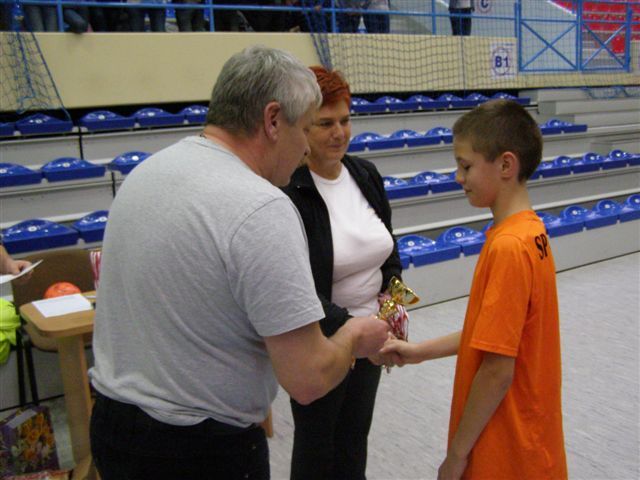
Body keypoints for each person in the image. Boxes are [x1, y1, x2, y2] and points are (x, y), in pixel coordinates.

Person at [89, 45, 390, 480]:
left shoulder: (148, 172)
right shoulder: (261, 206)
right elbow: (306, 380)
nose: (305, 148)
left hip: (114, 425)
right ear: (273, 120)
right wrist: (352, 336)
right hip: (197, 449)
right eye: (306, 128)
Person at [380, 100, 568, 480]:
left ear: (506, 165)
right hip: (530, 438)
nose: (457, 176)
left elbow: (497, 370)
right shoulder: (530, 232)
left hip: (506, 447)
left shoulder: (508, 248)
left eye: (465, 166)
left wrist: (456, 455)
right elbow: (494, 335)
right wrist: (418, 352)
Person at [282, 66, 401, 480]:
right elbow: (297, 287)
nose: (339, 133)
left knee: (353, 440)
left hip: (371, 337)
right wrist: (354, 330)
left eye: (345, 120)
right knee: (316, 447)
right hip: (321, 341)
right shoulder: (289, 191)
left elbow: (389, 252)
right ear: (303, 126)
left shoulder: (365, 174)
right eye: (325, 124)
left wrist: (392, 312)